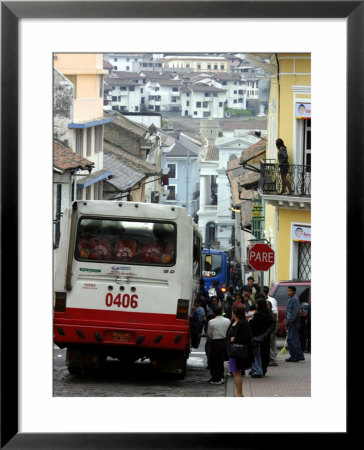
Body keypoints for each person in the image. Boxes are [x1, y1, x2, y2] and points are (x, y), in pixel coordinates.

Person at [226, 303, 254, 397]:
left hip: (238, 351)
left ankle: (239, 394)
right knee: (235, 372)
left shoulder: (243, 322)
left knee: (236, 372)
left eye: (233, 311)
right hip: (233, 351)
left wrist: (235, 339)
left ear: (236, 313)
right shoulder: (233, 321)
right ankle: (238, 393)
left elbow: (247, 337)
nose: (231, 312)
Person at [249, 296, 276, 377]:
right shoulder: (268, 313)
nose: (256, 305)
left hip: (259, 336)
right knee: (263, 353)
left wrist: (267, 332)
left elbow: (253, 324)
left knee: (259, 354)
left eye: (257, 304)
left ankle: (260, 369)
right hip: (264, 336)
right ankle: (260, 369)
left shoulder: (258, 314)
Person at [206, 306, 231, 384]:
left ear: (214, 313)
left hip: (215, 341)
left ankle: (215, 377)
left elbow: (209, 334)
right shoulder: (227, 321)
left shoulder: (211, 321)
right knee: (221, 360)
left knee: (214, 360)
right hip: (224, 341)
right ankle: (221, 376)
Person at [285, 286, 305, 362]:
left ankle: (298, 355)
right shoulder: (290, 299)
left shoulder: (295, 300)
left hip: (293, 323)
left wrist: (290, 321)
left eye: (290, 291)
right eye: (288, 290)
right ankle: (293, 355)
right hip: (290, 322)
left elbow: (295, 313)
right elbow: (288, 312)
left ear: (294, 291)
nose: (288, 292)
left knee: (293, 340)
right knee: (290, 340)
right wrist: (287, 322)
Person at [263, 286, 278, 366]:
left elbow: (274, 313)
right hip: (269, 324)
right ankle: (273, 356)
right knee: (271, 342)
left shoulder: (271, 301)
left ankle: (273, 358)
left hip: (271, 324)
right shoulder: (265, 300)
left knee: (270, 342)